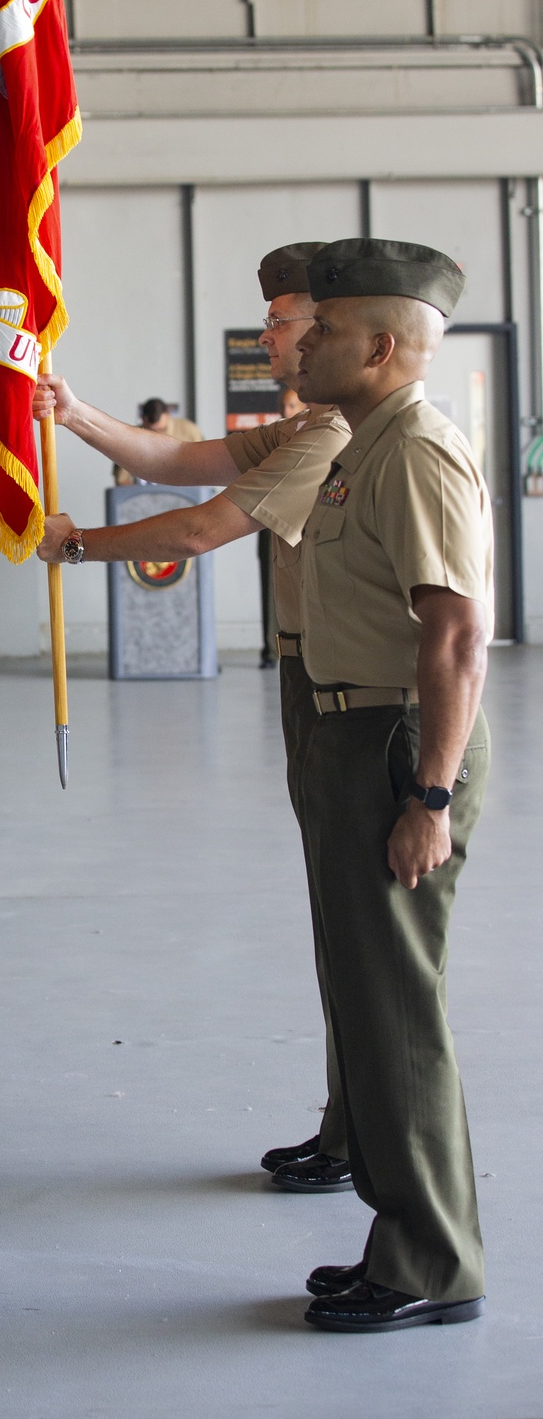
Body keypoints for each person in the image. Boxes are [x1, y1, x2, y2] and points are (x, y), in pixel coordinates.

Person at [34, 243, 354, 1190]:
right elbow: (174, 458)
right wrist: (74, 409)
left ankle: (360, 1134)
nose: (268, 335)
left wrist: (80, 545)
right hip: (313, 686)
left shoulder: (333, 437)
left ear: (331, 330)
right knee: (342, 929)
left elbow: (203, 525)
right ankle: (347, 1126)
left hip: (357, 697)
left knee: (365, 940)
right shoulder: (304, 426)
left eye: (281, 320)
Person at [293, 239, 493, 1332]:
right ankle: (398, 1235)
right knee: (367, 1003)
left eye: (324, 329)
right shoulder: (359, 446)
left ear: (380, 345)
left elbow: (456, 635)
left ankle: (429, 1258)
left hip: (394, 744)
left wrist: (429, 797)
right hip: (353, 733)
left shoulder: (413, 449)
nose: (304, 341)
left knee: (398, 1009)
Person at [112, 398, 202, 486]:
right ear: (142, 418)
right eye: (151, 430)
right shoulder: (131, 438)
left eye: (161, 429)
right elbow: (122, 480)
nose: (157, 434)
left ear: (168, 415)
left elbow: (202, 469)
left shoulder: (189, 431)